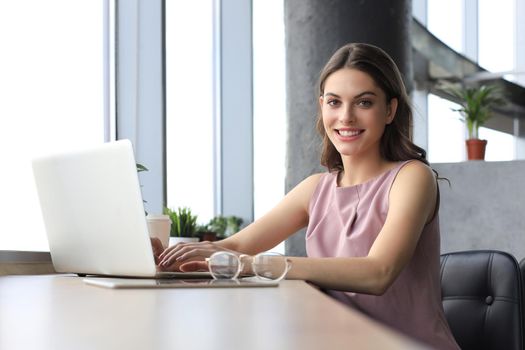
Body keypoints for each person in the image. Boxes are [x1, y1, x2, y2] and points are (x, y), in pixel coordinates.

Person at [152, 43, 460, 349]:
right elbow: (234, 246)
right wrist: (167, 259)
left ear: (390, 110)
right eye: (334, 102)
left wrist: (258, 265)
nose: (346, 117)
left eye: (364, 103)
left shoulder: (412, 178)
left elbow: (378, 272)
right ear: (322, 106)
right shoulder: (316, 188)